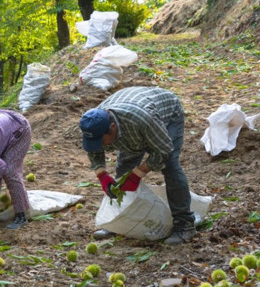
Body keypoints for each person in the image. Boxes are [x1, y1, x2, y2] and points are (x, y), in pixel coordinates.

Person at [79, 86, 196, 245]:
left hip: (167, 114)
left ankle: (185, 224)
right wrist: (102, 175)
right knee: (124, 168)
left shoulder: (141, 120)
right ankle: (120, 220)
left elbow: (164, 150)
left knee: (170, 166)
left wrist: (137, 174)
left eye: (101, 141)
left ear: (112, 128)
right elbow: (94, 150)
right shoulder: (93, 123)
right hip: (132, 125)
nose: (99, 145)